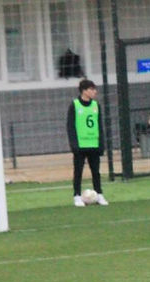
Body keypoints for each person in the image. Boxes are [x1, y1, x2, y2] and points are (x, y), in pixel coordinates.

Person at [66, 79, 108, 207]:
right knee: (78, 171)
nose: (94, 92)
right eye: (91, 89)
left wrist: (101, 144)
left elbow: (99, 125)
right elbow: (70, 126)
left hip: (93, 144)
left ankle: (99, 194)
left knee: (96, 171)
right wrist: (74, 144)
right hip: (80, 145)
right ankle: (77, 196)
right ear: (84, 91)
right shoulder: (75, 105)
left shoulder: (96, 105)